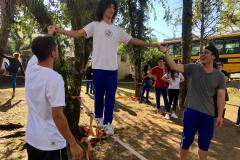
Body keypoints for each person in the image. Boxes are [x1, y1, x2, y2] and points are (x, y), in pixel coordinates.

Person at [48, 0, 160, 135]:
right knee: (99, 95)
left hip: (112, 70)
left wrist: (151, 45)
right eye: (109, 7)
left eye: (113, 7)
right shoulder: (95, 26)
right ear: (102, 9)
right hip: (98, 68)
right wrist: (59, 30)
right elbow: (77, 33)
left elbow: (133, 40)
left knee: (111, 97)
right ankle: (99, 118)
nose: (111, 9)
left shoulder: (118, 30)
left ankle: (108, 123)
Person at [158, 44, 226, 160]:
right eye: (202, 52)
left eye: (206, 53)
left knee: (204, 145)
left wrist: (220, 115)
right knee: (186, 141)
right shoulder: (194, 68)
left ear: (213, 57)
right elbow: (174, 66)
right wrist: (165, 52)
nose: (202, 55)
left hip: (208, 115)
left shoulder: (219, 76)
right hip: (191, 112)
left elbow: (221, 96)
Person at [25, 36, 83, 160]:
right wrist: (73, 144)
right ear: (53, 53)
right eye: (56, 48)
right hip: (51, 144)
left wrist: (49, 35)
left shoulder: (30, 69)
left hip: (32, 140)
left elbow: (39, 51)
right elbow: (57, 115)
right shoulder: (54, 78)